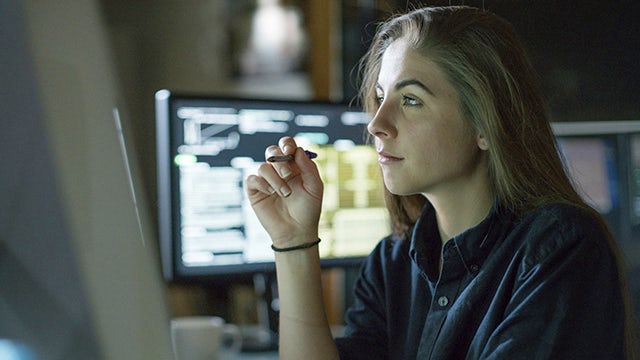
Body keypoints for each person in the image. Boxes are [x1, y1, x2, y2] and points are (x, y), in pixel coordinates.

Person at [245, 5, 639, 359]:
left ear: (486, 124)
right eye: (380, 97)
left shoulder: (559, 248)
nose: (376, 124)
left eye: (411, 100)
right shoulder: (392, 263)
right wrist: (294, 241)